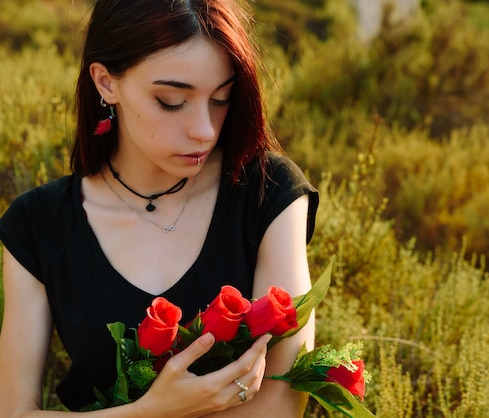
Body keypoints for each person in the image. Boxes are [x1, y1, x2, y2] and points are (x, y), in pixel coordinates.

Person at [0, 0, 318, 416]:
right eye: (171, 101)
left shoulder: (268, 192)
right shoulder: (36, 224)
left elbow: (281, 401)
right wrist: (153, 410)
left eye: (221, 99)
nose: (204, 130)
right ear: (105, 83)